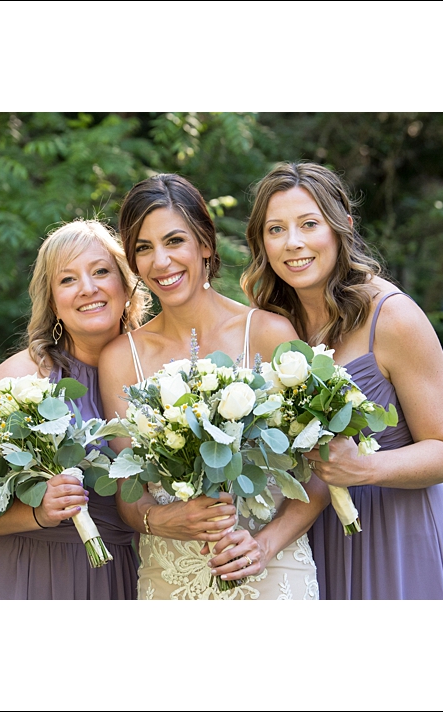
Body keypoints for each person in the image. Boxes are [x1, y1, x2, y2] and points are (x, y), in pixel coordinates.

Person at [243, 162, 443, 599]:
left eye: (309, 224)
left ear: (341, 226)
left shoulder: (394, 318)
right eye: (276, 229)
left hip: (396, 532)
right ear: (262, 242)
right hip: (309, 536)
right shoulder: (272, 326)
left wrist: (365, 468)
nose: (293, 243)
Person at [98, 173, 326, 600]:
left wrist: (265, 543)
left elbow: (319, 474)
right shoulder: (119, 358)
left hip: (269, 569)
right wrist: (161, 520)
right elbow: (131, 494)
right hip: (170, 575)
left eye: (174, 241)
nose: (161, 262)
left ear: (205, 243)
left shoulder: (270, 334)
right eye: (143, 248)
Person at [0, 220, 146, 599]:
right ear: (52, 302)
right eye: (67, 280)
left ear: (127, 286)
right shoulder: (24, 379)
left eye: (101, 271)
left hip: (112, 578)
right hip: (19, 575)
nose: (88, 288)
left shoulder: (153, 373)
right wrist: (34, 512)